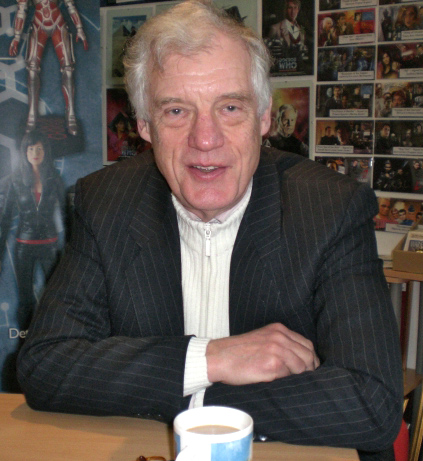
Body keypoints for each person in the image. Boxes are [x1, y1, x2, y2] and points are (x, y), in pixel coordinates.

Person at [17, 2, 402, 460]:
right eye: (176, 110)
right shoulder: (105, 203)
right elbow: (46, 364)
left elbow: (371, 402)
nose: (205, 139)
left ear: (263, 117)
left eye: (230, 107)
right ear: (144, 125)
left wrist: (192, 399)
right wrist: (212, 358)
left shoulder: (330, 208)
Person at [0, 130, 65, 331]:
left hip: (49, 247)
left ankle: (53, 336)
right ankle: (25, 338)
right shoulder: (16, 180)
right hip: (24, 247)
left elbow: (66, 214)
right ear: (25, 152)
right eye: (30, 149)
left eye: (39, 148)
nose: (35, 153)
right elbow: (5, 218)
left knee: (54, 297)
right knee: (25, 299)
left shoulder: (54, 178)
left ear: (45, 151)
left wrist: (71, 248)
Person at [8, 0, 88, 135]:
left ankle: (71, 116)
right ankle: (32, 115)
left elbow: (70, 4)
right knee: (32, 69)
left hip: (58, 24)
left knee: (68, 69)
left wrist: (79, 29)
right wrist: (16, 37)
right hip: (38, 25)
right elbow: (22, 9)